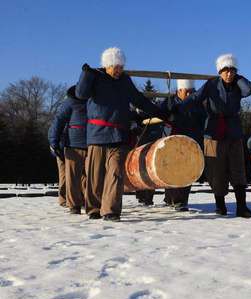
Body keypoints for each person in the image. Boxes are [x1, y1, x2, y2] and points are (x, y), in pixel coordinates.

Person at [75, 47, 165, 221]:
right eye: (115, 67)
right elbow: (81, 94)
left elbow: (138, 99)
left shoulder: (125, 81)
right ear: (107, 66)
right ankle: (94, 208)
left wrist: (158, 112)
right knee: (95, 174)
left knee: (115, 172)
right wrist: (85, 75)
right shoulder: (95, 77)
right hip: (97, 134)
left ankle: (110, 210)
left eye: (120, 67)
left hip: (118, 134)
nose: (118, 70)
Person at [172, 53, 251, 218]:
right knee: (217, 170)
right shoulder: (211, 84)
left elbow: (249, 90)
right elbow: (195, 98)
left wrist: (238, 77)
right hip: (213, 132)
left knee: (238, 169)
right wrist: (179, 108)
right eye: (225, 70)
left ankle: (241, 206)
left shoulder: (238, 85)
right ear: (219, 71)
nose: (229, 73)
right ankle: (220, 205)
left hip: (233, 132)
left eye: (232, 70)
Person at [161, 79, 207, 211]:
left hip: (190, 142)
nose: (189, 95)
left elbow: (204, 121)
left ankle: (181, 201)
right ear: (179, 91)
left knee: (187, 171)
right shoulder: (169, 101)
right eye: (186, 92)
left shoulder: (197, 105)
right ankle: (170, 198)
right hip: (172, 142)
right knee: (171, 171)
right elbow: (159, 112)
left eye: (191, 92)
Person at [48, 85, 88, 214]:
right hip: (66, 145)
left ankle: (82, 199)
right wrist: (54, 144)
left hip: (81, 143)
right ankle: (65, 199)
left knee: (84, 175)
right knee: (67, 175)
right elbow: (56, 124)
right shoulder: (69, 106)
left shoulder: (89, 104)